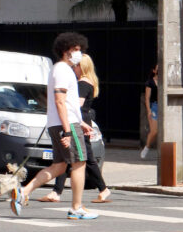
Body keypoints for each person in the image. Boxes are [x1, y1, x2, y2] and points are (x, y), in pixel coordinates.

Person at [10, 32, 99, 220]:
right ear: (65, 50)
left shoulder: (61, 70)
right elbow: (60, 101)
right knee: (79, 163)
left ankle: (24, 192)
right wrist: (68, 129)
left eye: (80, 49)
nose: (79, 53)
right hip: (65, 125)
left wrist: (80, 123)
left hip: (62, 123)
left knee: (59, 166)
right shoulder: (62, 70)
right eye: (76, 49)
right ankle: (76, 208)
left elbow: (67, 104)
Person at [39, 54, 111, 204]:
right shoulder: (86, 82)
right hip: (80, 121)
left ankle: (101, 190)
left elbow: (76, 105)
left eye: (76, 65)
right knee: (73, 157)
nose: (73, 67)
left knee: (81, 159)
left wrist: (63, 102)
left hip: (79, 122)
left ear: (81, 66)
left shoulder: (83, 84)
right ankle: (57, 192)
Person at [142, 64, 158, 159]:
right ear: (154, 71)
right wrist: (148, 111)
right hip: (154, 106)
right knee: (154, 131)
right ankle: (147, 147)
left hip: (163, 106)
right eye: (157, 68)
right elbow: (147, 98)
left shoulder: (164, 82)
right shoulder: (150, 82)